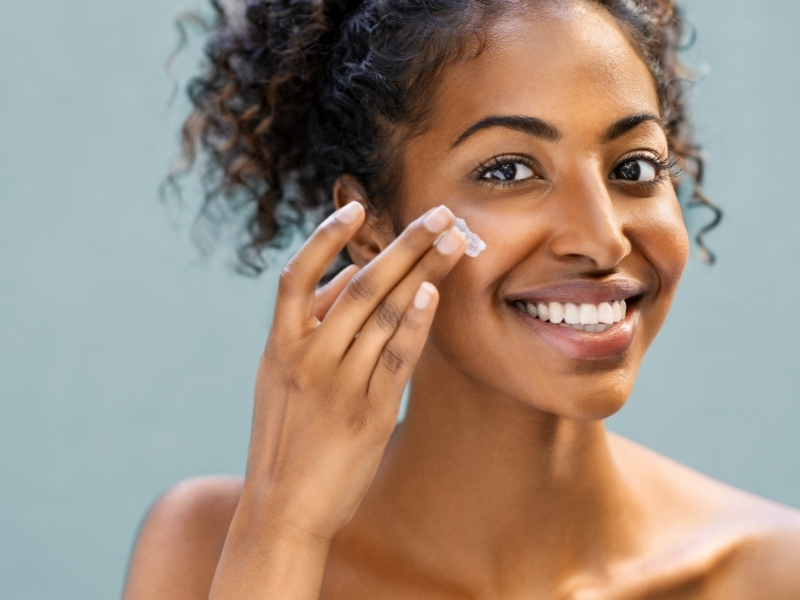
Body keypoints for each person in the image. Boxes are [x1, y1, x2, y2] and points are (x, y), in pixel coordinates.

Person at [123, 0, 800, 597]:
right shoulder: (210, 551)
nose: (602, 239)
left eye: (635, 168)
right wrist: (285, 534)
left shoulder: (774, 574)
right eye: (508, 170)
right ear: (370, 225)